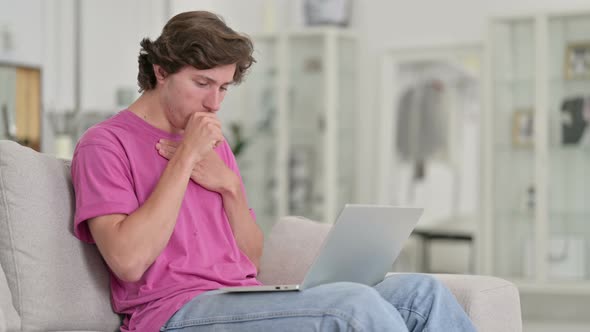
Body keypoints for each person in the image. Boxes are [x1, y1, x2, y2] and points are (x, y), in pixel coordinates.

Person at [71, 10, 476, 332]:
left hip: (241, 297)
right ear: (161, 71)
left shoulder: (214, 143)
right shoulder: (105, 144)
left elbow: (252, 258)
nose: (215, 103)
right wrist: (184, 160)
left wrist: (230, 187)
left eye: (224, 88)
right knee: (354, 308)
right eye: (202, 83)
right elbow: (128, 262)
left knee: (424, 293)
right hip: (173, 312)